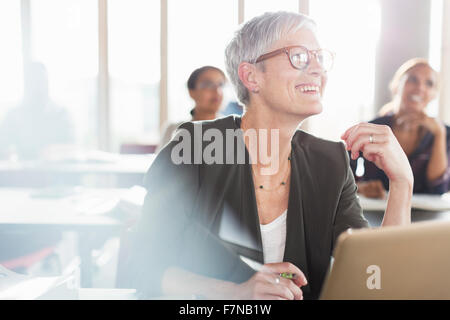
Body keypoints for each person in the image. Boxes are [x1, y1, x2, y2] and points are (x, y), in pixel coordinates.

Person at [127, 11, 413, 300]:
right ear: (252, 76)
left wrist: (402, 182)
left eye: (320, 58)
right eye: (299, 57)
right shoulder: (194, 149)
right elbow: (143, 266)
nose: (317, 69)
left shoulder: (330, 162)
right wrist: (237, 293)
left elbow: (376, 277)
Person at [350, 58, 450, 199]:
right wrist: (360, 188)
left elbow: (439, 187)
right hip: (377, 215)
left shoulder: (445, 133)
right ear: (397, 85)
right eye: (413, 80)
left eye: (429, 83)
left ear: (434, 94)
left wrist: (440, 134)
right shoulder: (371, 128)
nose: (420, 87)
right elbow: (342, 179)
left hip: (427, 219)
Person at [0, 62, 73, 160]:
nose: (39, 87)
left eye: (42, 82)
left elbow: (71, 149)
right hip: (21, 173)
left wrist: (53, 151)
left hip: (55, 173)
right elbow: (3, 147)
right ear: (26, 85)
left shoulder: (61, 115)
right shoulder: (13, 116)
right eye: (34, 82)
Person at [157, 66, 226, 152]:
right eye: (208, 85)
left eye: (221, 85)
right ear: (191, 92)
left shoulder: (235, 130)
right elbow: (161, 165)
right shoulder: (173, 130)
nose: (217, 91)